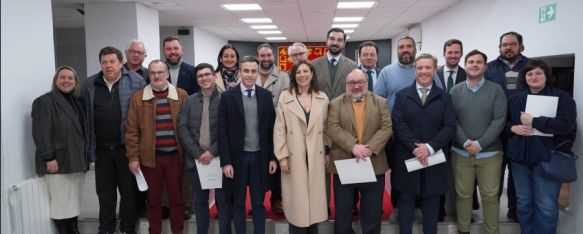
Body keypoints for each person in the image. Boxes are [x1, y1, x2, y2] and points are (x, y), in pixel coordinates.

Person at [374, 36, 443, 220]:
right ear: (397, 50)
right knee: (399, 172)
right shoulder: (387, 72)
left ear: (415, 49)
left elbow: (440, 97)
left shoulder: (427, 71)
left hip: (427, 135)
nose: (405, 50)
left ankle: (421, 207)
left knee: (424, 171)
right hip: (396, 134)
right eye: (401, 47)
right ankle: (399, 207)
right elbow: (377, 102)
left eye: (409, 46)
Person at [506, 59, 577, 234]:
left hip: (548, 159)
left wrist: (535, 121)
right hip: (519, 159)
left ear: (546, 76)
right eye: (530, 74)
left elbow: (566, 126)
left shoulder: (562, 98)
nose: (534, 77)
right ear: (525, 77)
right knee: (523, 204)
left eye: (538, 73)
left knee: (546, 206)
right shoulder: (514, 98)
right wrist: (512, 127)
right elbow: (503, 123)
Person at [81, 46, 146, 234]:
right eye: (104, 62)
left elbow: (143, 116)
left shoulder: (136, 82)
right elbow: (85, 117)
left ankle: (127, 228)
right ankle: (106, 229)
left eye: (112, 61)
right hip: (101, 151)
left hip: (126, 149)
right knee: (105, 194)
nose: (108, 66)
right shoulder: (90, 85)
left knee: (129, 194)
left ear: (121, 62)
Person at [391, 53, 456, 234]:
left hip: (434, 158)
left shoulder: (445, 98)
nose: (424, 71)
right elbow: (398, 124)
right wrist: (415, 147)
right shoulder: (402, 96)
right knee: (405, 201)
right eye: (420, 68)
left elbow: (449, 126)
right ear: (414, 71)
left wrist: (429, 147)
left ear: (435, 70)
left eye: (428, 67)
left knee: (431, 202)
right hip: (407, 157)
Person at [125, 60, 188, 234]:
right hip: (150, 159)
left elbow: (189, 127)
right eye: (153, 73)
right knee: (153, 200)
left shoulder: (181, 95)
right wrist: (133, 157)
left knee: (177, 198)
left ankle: (178, 231)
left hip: (176, 157)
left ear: (167, 73)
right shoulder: (138, 98)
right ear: (149, 75)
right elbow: (131, 131)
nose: (157, 76)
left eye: (160, 72)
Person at [327, 69, 392, 234]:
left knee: (372, 212)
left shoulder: (381, 102)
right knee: (342, 212)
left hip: (373, 163)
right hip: (345, 163)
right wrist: (353, 146)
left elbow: (387, 128)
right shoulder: (335, 103)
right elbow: (332, 128)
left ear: (366, 83)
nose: (356, 86)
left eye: (360, 82)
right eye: (352, 83)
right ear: (347, 85)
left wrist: (368, 149)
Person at [218, 56, 278, 234]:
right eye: (246, 71)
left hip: (260, 157)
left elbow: (271, 130)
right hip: (237, 159)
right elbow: (222, 132)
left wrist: (272, 158)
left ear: (258, 72)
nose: (250, 75)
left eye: (253, 71)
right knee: (238, 202)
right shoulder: (227, 97)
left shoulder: (266, 96)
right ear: (239, 72)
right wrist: (226, 162)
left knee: (259, 203)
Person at [450, 50, 507, 234]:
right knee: (463, 195)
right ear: (465, 66)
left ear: (485, 66)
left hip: (490, 155)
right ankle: (463, 230)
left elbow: (499, 120)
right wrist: (466, 142)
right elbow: (452, 120)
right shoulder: (455, 90)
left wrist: (480, 144)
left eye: (479, 62)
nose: (474, 65)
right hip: (461, 153)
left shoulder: (496, 90)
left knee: (490, 196)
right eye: (471, 62)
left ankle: (492, 231)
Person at [273, 61, 329, 233]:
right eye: (298, 72)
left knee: (314, 200)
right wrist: (282, 156)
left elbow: (327, 128)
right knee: (297, 202)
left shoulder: (322, 97)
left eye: (306, 71)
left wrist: (327, 151)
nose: (302, 75)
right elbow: (279, 128)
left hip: (315, 155)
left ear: (312, 74)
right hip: (293, 155)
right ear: (293, 76)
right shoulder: (285, 97)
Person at [32, 66, 88, 234]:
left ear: (75, 81)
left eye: (70, 78)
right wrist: (49, 157)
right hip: (58, 161)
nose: (66, 81)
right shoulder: (44, 101)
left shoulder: (78, 101)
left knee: (74, 201)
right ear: (55, 81)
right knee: (61, 203)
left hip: (76, 159)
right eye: (62, 77)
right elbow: (41, 132)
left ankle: (74, 229)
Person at [177, 63, 231, 234]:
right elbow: (182, 128)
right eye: (200, 76)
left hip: (220, 160)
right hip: (196, 161)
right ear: (197, 79)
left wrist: (212, 152)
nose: (204, 78)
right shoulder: (189, 101)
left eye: (208, 74)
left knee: (223, 201)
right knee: (200, 202)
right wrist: (199, 153)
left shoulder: (226, 99)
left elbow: (229, 130)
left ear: (214, 77)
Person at [486, 31, 530, 222]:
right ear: (499, 47)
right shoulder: (489, 68)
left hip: (522, 127)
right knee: (494, 171)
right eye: (504, 45)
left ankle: (514, 209)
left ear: (521, 46)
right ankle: (491, 209)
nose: (508, 48)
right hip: (495, 126)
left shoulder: (531, 66)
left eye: (512, 44)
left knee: (516, 171)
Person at [436, 39, 478, 221]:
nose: (453, 55)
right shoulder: (433, 73)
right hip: (438, 131)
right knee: (438, 173)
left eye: (456, 52)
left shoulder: (470, 74)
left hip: (464, 131)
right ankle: (439, 210)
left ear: (461, 54)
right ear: (444, 53)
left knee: (465, 175)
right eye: (450, 52)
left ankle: (467, 211)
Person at [162, 35, 197, 219]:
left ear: (181, 49)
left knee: (185, 170)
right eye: (168, 49)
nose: (172, 52)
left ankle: (186, 205)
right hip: (163, 129)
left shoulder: (192, 71)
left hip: (186, 129)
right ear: (164, 51)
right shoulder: (157, 71)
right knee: (166, 170)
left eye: (175, 48)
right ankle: (166, 205)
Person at [256, 42, 290, 214]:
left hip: (276, 128)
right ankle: (257, 201)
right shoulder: (249, 74)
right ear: (258, 57)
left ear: (273, 56)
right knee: (257, 166)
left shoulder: (283, 77)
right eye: (262, 55)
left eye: (269, 55)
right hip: (253, 129)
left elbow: (285, 103)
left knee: (276, 164)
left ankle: (277, 200)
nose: (266, 58)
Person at [312, 27, 357, 100]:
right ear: (327, 41)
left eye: (339, 40)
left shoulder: (352, 66)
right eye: (332, 39)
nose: (335, 43)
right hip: (320, 109)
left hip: (343, 109)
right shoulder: (313, 65)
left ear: (344, 44)